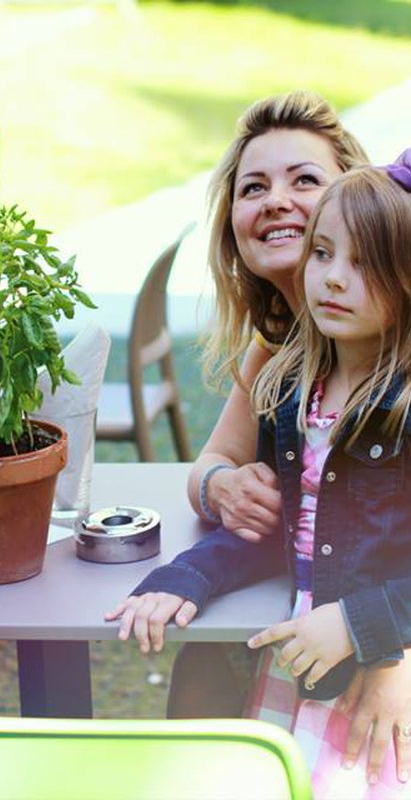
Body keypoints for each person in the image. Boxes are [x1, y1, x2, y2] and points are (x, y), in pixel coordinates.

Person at [108, 155, 411, 797]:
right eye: (323, 253)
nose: (332, 279)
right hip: (303, 664)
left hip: (380, 665)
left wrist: (362, 624)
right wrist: (189, 575)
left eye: (363, 264)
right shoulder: (296, 389)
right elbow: (277, 527)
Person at [165, 90, 374, 723]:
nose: (276, 200)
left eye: (304, 180)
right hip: (289, 624)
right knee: (199, 666)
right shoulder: (275, 343)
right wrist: (224, 486)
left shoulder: (392, 355)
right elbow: (209, 465)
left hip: (373, 645)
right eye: (253, 187)